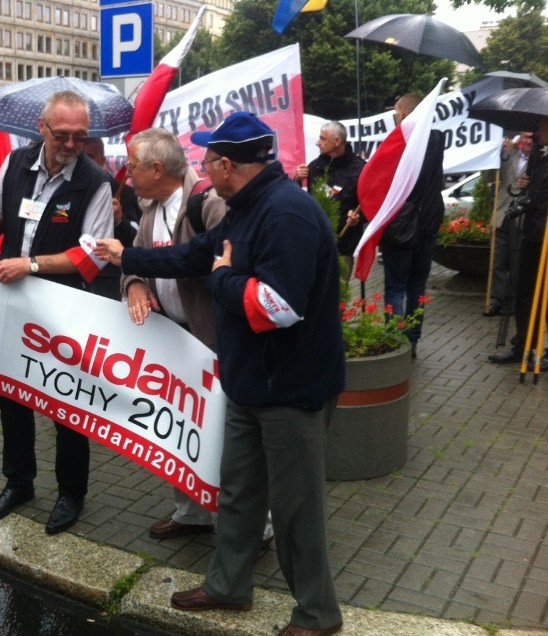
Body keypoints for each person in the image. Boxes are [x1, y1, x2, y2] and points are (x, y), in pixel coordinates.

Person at [95, 112, 345, 636]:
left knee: (296, 506)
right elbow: (193, 253)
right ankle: (229, 585)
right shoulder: (243, 209)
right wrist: (131, 258)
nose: (202, 169)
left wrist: (224, 279)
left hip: (291, 388)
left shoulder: (287, 215)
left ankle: (317, 614)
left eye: (207, 160)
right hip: (251, 380)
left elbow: (279, 306)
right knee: (237, 490)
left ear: (228, 164)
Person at [0, 90, 114, 534]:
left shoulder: (96, 181)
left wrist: (32, 265)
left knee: (67, 406)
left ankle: (71, 492)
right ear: (41, 129)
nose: (70, 144)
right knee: (12, 397)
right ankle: (18, 482)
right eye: (62, 134)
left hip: (64, 307)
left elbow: (92, 257)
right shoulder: (18, 163)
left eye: (80, 136)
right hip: (16, 306)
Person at [115, 128, 232, 540]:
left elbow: (235, 263)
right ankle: (190, 513)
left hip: (213, 342)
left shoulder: (209, 203)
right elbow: (133, 261)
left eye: (132, 167)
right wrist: (134, 284)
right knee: (180, 429)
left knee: (223, 433)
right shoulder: (150, 209)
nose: (127, 174)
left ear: (157, 168)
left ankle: (251, 527)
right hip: (171, 338)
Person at [378, 93, 445, 359]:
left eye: (396, 111)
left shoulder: (399, 141)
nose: (394, 116)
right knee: (417, 286)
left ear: (404, 114)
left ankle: (395, 342)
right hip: (427, 224)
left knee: (395, 287)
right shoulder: (438, 138)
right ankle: (412, 341)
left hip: (401, 227)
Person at [488, 118, 548, 366]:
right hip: (531, 232)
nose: (536, 131)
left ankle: (544, 351)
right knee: (523, 292)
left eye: (541, 126)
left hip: (545, 233)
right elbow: (530, 191)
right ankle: (523, 344)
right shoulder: (538, 155)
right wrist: (525, 186)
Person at [294, 121, 366, 271]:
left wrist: (358, 217)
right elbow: (300, 201)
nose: (317, 143)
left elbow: (368, 204)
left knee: (340, 292)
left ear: (337, 141)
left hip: (344, 244)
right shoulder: (314, 166)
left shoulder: (360, 169)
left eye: (322, 138)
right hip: (317, 243)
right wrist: (298, 180)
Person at [82, 137, 140, 300]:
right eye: (81, 157)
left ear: (102, 160)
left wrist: (119, 220)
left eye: (90, 156)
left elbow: (137, 241)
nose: (85, 162)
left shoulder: (125, 193)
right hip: (74, 277)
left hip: (107, 280)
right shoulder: (71, 190)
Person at [485, 132, 532, 316]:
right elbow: (490, 178)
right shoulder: (508, 154)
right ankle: (497, 299)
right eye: (525, 137)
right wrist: (499, 155)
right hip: (501, 212)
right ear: (519, 140)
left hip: (522, 215)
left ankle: (514, 301)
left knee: (517, 260)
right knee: (498, 258)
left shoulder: (539, 159)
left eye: (531, 138)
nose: (527, 141)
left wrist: (529, 183)